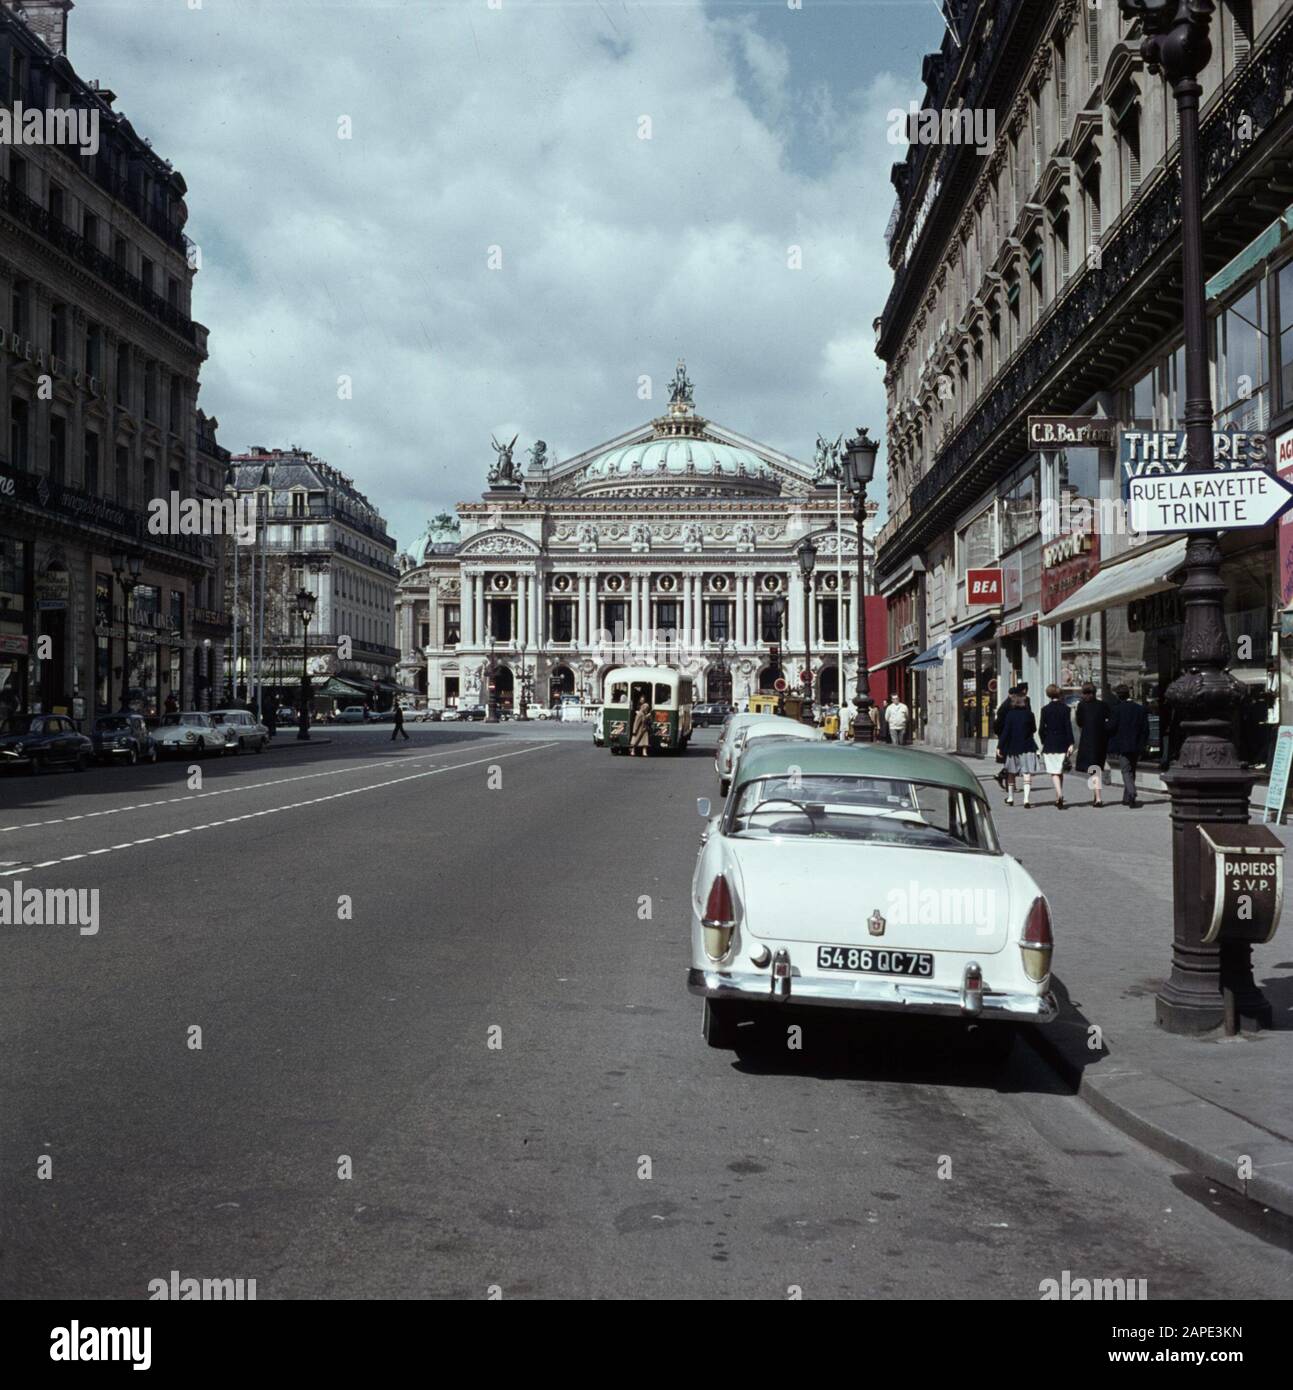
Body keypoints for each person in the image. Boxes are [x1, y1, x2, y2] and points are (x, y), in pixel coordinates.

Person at [1106, 684, 1150, 808]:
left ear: (1118, 696)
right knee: (1132, 770)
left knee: (1125, 770)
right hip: (1137, 744)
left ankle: (1131, 792)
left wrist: (1105, 724)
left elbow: (1111, 727)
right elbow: (1145, 729)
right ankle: (1127, 798)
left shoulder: (1116, 709)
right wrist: (1144, 743)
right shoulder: (1140, 709)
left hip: (1122, 745)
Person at [997, 688, 1040, 808]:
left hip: (1013, 748)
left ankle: (1010, 798)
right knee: (1027, 773)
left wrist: (1000, 746)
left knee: (1011, 773)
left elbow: (1006, 732)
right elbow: (1034, 729)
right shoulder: (1030, 715)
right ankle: (1026, 799)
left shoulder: (1010, 715)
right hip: (1027, 746)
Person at [1038, 684, 1075, 810]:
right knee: (1060, 771)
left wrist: (1044, 741)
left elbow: (1041, 729)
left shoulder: (1045, 710)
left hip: (1050, 743)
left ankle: (1059, 795)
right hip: (1063, 743)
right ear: (1059, 694)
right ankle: (1058, 795)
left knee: (1054, 772)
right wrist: (1070, 743)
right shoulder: (1065, 709)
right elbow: (1068, 727)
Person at [1074, 681, 1110, 807]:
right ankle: (1096, 795)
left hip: (1088, 740)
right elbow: (1108, 720)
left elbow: (1079, 722)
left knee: (1093, 769)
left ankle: (1098, 797)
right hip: (1101, 740)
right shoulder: (1102, 705)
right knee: (1096, 768)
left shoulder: (1082, 706)